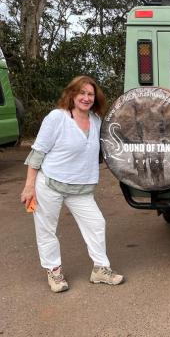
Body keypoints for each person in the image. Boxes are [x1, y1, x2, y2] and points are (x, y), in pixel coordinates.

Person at [20, 76, 124, 293]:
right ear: (72, 94)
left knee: (96, 224)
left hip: (81, 189)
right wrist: (29, 186)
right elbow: (38, 153)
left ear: (95, 98)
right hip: (50, 184)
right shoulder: (57, 118)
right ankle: (54, 271)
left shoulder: (96, 121)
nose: (86, 98)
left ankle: (100, 270)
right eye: (82, 93)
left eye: (90, 94)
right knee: (46, 229)